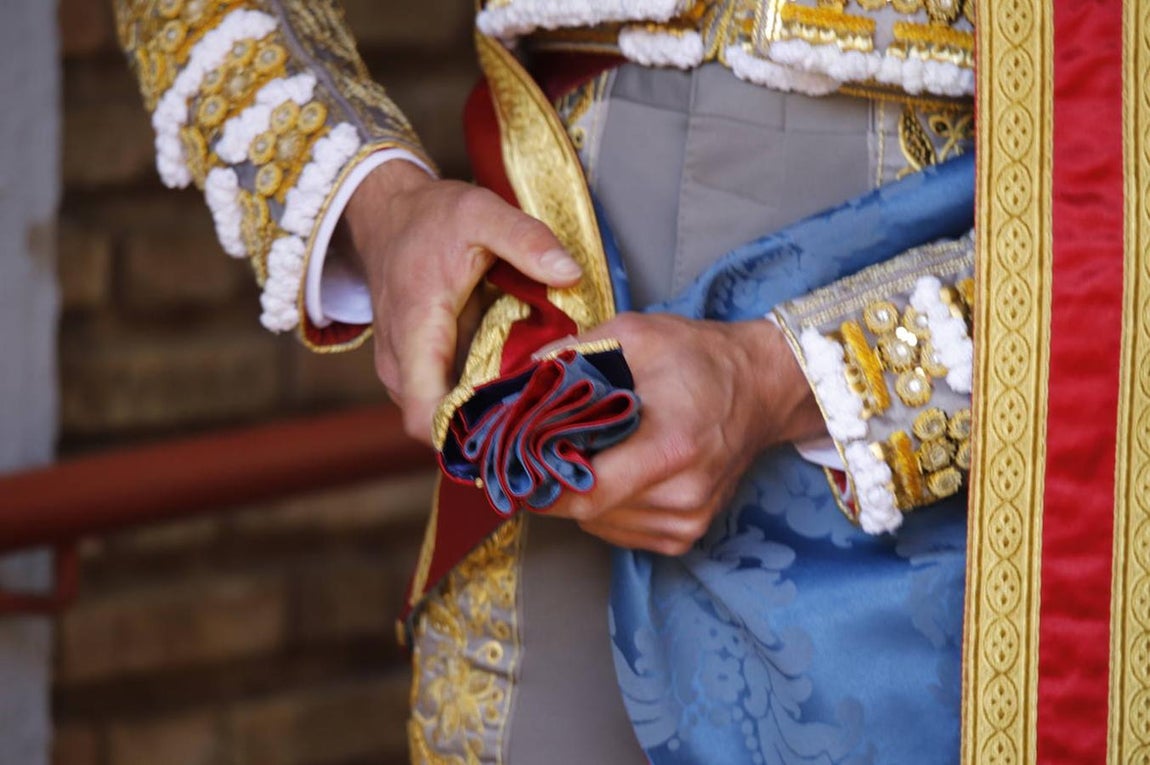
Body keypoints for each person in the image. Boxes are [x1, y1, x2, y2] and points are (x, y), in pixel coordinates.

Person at [112, 1, 975, 761]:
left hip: (910, 306)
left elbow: (1107, 193)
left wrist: (782, 374)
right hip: (569, 283)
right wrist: (377, 204)